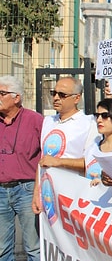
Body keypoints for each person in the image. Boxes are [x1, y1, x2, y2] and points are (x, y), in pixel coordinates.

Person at [33, 76, 99, 213]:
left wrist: (59, 162)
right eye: (54, 93)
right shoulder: (48, 121)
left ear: (76, 98)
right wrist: (36, 192)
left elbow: (92, 164)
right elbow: (42, 160)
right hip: (48, 195)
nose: (56, 98)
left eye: (62, 95)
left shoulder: (89, 124)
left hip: (73, 197)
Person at [0, 76, 43, 261]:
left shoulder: (35, 120)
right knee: (1, 248)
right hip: (1, 191)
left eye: (1, 93)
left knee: (34, 247)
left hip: (27, 189)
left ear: (16, 97)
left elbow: (47, 152)